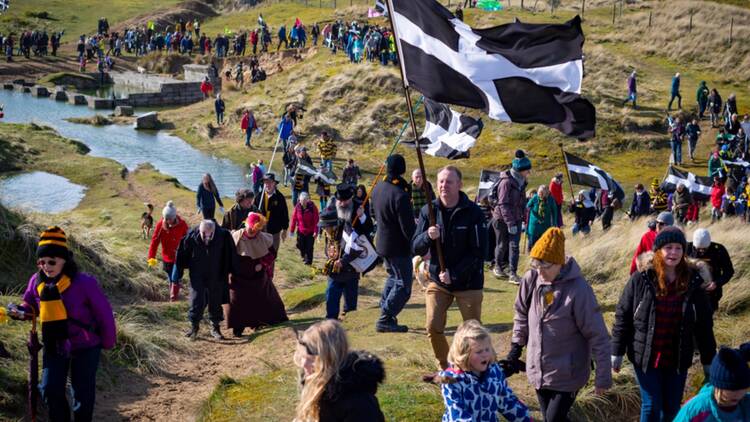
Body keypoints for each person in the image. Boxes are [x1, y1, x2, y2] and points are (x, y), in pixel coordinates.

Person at [8, 227, 116, 422]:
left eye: (51, 261)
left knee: (82, 395)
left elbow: (104, 313)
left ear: (64, 260)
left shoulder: (84, 282)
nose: (46, 266)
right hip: (54, 344)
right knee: (49, 388)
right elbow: (30, 304)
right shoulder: (36, 281)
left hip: (86, 346)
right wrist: (20, 312)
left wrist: (108, 341)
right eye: (41, 261)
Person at [611, 227, 717, 422]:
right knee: (651, 405)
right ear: (658, 250)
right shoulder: (641, 278)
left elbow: (704, 326)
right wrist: (616, 351)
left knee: (672, 407)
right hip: (645, 354)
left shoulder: (694, 282)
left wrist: (709, 360)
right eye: (669, 247)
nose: (674, 253)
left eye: (678, 248)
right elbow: (623, 315)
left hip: (677, 356)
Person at [508, 227, 612, 421]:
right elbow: (521, 313)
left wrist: (603, 376)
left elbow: (597, 335)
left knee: (553, 419)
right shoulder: (531, 280)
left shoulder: (579, 290)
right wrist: (516, 348)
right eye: (536, 264)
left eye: (545, 266)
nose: (540, 271)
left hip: (568, 375)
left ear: (559, 263)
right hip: (538, 370)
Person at [412, 166, 487, 369]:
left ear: (460, 185)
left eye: (449, 181)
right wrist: (428, 236)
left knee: (473, 333)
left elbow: (480, 252)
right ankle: (447, 369)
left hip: (469, 281)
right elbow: (415, 246)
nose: (444, 185)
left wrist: (454, 273)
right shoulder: (429, 210)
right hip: (438, 280)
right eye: (441, 181)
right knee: (433, 326)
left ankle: (474, 369)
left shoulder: (473, 213)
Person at [437, 320, 530, 422]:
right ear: (464, 354)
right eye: (479, 351)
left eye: (487, 349)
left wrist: (526, 419)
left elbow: (507, 402)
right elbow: (457, 414)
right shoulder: (451, 379)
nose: (485, 354)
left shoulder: (495, 373)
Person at [293, 320, 385, 421]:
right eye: (302, 357)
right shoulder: (314, 379)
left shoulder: (358, 402)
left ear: (330, 359)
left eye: (311, 360)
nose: (303, 364)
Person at [370, 154, 416, 333]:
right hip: (398, 247)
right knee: (403, 285)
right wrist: (418, 245)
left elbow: (373, 213)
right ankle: (386, 317)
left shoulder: (378, 187)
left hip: (382, 242)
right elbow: (408, 228)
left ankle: (385, 308)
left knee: (392, 277)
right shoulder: (400, 195)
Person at [226, 213, 288, 337]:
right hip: (238, 276)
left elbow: (272, 255)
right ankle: (238, 327)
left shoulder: (263, 238)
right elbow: (227, 256)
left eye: (256, 231)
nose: (253, 233)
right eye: (251, 229)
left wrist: (263, 264)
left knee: (262, 297)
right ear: (246, 224)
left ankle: (260, 322)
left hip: (257, 274)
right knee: (237, 301)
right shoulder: (235, 237)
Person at [174, 220, 234, 340]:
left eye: (209, 234)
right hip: (197, 273)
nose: (206, 237)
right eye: (203, 233)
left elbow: (230, 254)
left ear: (213, 231)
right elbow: (181, 255)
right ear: (199, 230)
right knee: (197, 299)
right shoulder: (191, 236)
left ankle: (215, 327)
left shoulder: (223, 236)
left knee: (215, 300)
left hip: (216, 274)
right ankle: (194, 327)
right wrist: (178, 274)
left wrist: (230, 272)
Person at [674, 346, 750, 421]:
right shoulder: (697, 408)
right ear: (718, 387)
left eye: (742, 388)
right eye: (732, 389)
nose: (738, 394)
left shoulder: (746, 405)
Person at [492, 150, 531, 284]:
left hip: (516, 218)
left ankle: (513, 274)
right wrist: (510, 223)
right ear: (521, 170)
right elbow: (503, 204)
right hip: (501, 219)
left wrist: (523, 217)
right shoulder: (506, 182)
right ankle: (498, 267)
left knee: (514, 246)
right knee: (502, 245)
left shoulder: (522, 182)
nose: (529, 173)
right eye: (527, 170)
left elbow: (521, 202)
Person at [147, 201, 190, 301]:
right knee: (171, 278)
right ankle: (175, 290)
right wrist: (151, 257)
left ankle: (173, 298)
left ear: (174, 217)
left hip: (179, 257)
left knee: (175, 277)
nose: (168, 221)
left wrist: (190, 254)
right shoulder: (160, 226)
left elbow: (188, 240)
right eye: (166, 218)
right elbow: (154, 241)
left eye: (169, 218)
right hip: (167, 257)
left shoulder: (182, 224)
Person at [687, 228, 734, 314]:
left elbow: (729, 271)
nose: (701, 251)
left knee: (707, 321)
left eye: (704, 249)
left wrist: (717, 283)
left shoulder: (719, 250)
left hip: (712, 295)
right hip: (690, 294)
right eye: (698, 249)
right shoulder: (686, 249)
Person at [254, 173, 289, 253]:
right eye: (265, 183)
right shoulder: (259, 196)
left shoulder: (280, 197)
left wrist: (285, 229)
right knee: (260, 254)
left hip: (275, 231)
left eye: (270, 182)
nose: (267, 185)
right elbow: (253, 213)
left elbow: (284, 214)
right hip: (261, 231)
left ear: (274, 183)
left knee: (272, 254)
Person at [289, 192, 319, 266]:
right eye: (301, 201)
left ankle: (308, 262)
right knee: (300, 245)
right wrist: (292, 231)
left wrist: (316, 231)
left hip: (310, 231)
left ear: (307, 200)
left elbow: (316, 220)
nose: (303, 203)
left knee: (309, 247)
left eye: (305, 201)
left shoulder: (312, 207)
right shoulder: (297, 207)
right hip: (301, 230)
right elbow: (294, 219)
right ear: (299, 200)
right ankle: (303, 255)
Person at [526, 185, 558, 251]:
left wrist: (554, 223)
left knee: (544, 245)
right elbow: (528, 206)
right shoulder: (535, 197)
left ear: (547, 193)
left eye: (542, 193)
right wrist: (534, 213)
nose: (540, 195)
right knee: (533, 245)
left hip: (545, 225)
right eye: (539, 193)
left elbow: (554, 211)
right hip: (534, 225)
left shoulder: (551, 199)